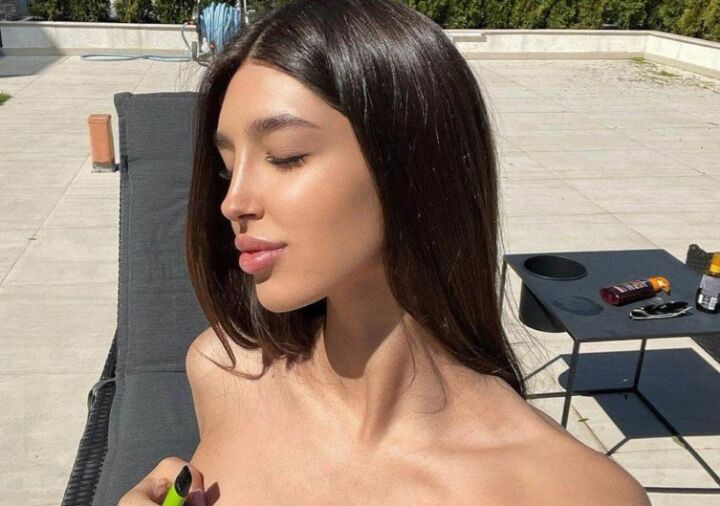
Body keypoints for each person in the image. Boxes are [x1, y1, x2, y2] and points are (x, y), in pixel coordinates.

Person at [119, 0, 651, 504]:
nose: (233, 202)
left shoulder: (573, 493)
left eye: (285, 156)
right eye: (226, 169)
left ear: (415, 162)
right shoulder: (223, 372)